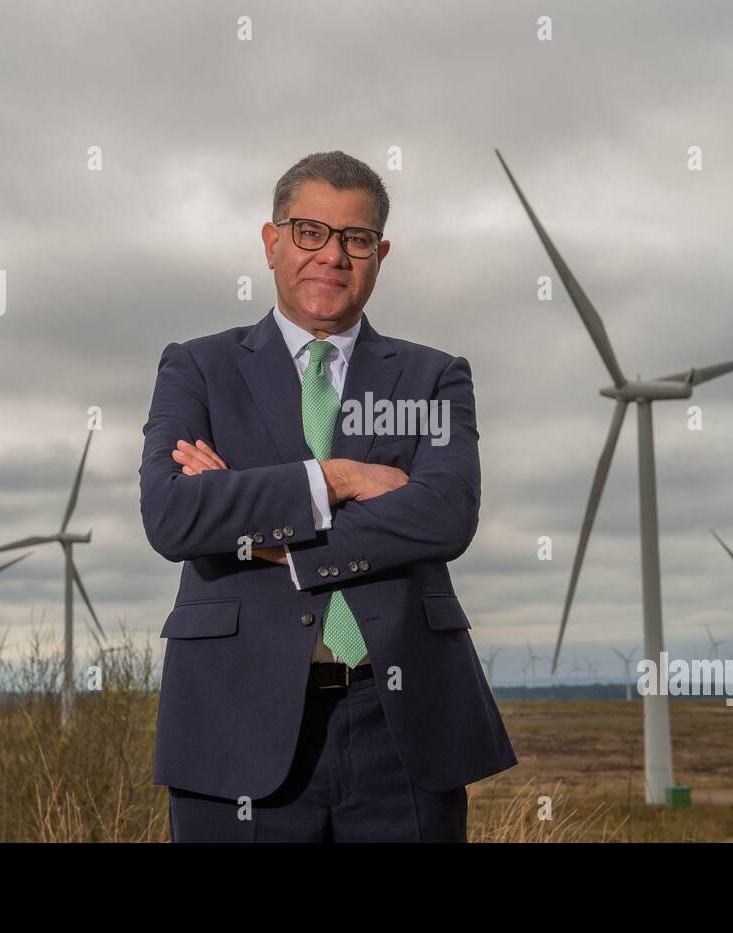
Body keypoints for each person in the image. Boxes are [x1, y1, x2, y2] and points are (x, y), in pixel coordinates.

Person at [140, 150, 516, 842]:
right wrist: (338, 479)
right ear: (272, 240)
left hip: (402, 726)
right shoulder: (198, 366)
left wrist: (268, 528)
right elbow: (172, 514)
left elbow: (445, 512)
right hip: (233, 726)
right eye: (311, 231)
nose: (333, 255)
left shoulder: (434, 377)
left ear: (381, 253)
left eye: (357, 238)